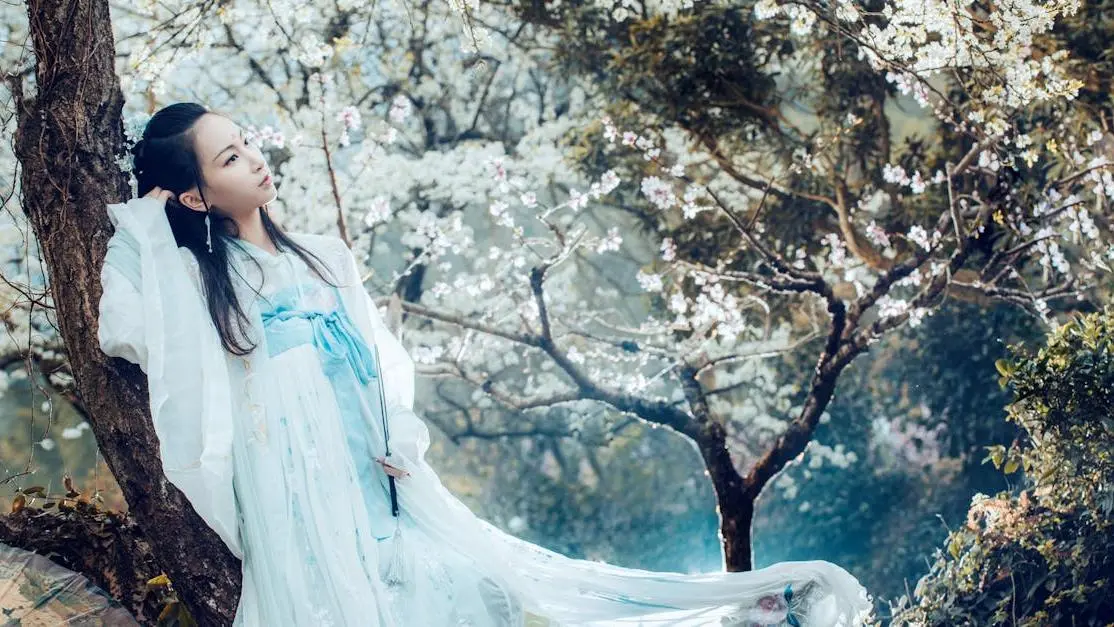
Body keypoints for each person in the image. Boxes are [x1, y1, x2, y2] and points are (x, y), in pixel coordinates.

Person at [97, 102, 873, 626]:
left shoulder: (325, 256)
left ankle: (739, 610)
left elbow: (383, 360)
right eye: (230, 158)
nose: (257, 162)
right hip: (303, 508)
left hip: (381, 481)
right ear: (196, 196)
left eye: (249, 143)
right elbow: (124, 327)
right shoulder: (210, 288)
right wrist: (153, 215)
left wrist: (402, 430)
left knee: (504, 585)